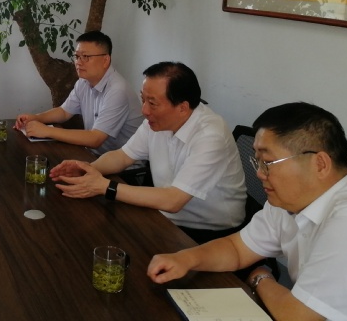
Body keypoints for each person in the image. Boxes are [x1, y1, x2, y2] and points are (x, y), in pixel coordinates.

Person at [147, 102, 347, 321]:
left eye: (268, 163)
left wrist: (260, 277)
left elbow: (298, 317)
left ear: (320, 164)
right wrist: (186, 258)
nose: (260, 173)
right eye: (257, 162)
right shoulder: (289, 201)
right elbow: (237, 249)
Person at [49, 61, 246, 244]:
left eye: (152, 103)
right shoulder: (157, 121)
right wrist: (86, 169)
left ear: (183, 108)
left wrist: (104, 187)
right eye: (143, 99)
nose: (144, 110)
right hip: (163, 215)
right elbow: (122, 157)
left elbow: (173, 200)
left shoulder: (211, 136)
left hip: (209, 233)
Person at [15, 31, 143, 155]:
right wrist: (36, 117)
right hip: (93, 155)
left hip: (124, 166)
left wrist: (47, 131)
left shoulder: (117, 91)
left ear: (105, 60)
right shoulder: (83, 82)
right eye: (77, 56)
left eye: (86, 57)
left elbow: (95, 139)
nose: (79, 62)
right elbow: (64, 112)